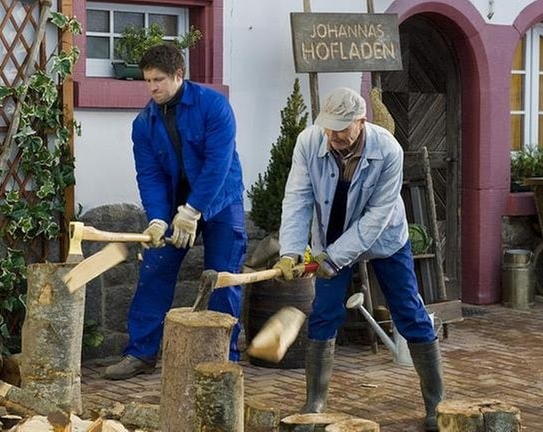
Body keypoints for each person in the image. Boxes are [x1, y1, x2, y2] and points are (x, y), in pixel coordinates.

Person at [273, 87, 445, 431]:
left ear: (360, 121)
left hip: (383, 238)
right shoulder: (309, 143)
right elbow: (297, 198)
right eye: (329, 127)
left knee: (409, 312)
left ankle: (435, 402)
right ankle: (315, 401)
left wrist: (333, 258)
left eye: (342, 128)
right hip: (330, 239)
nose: (334, 135)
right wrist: (290, 251)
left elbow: (376, 216)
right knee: (324, 314)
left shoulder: (388, 150)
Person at [103, 43, 247, 380]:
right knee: (154, 272)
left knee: (221, 278)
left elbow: (218, 164)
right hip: (171, 207)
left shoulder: (214, 106)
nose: (152, 87)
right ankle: (140, 353)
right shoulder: (144, 123)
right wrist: (156, 217)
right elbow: (149, 175)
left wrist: (193, 210)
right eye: (147, 80)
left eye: (159, 80)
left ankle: (223, 357)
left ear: (178, 76)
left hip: (221, 201)